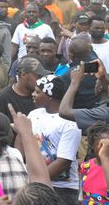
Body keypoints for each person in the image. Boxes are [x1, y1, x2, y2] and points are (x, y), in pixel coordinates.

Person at [28, 74, 82, 205]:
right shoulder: (34, 115)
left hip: (63, 189)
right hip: (35, 184)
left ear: (50, 96)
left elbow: (63, 162)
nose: (33, 94)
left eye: (38, 91)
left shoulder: (70, 122)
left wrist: (37, 180)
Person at [0, 56, 47, 120]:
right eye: (38, 76)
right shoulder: (3, 98)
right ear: (23, 75)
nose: (40, 79)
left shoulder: (41, 95)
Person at [80, 122, 109, 205]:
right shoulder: (86, 166)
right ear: (92, 145)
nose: (107, 148)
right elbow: (84, 195)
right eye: (102, 145)